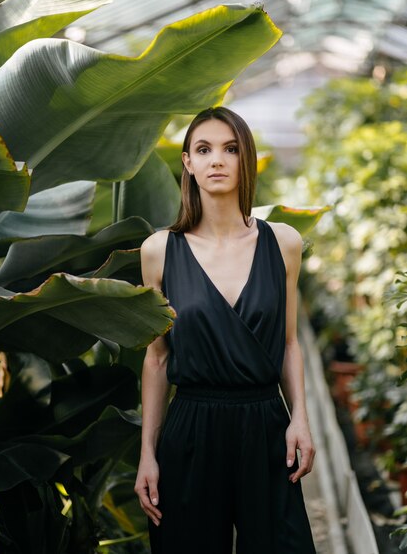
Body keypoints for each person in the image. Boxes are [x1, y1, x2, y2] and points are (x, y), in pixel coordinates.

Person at [134, 106, 317, 554]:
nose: (217, 159)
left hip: (265, 423)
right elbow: (156, 358)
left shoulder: (284, 243)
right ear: (188, 163)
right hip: (191, 428)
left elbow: (289, 343)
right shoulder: (159, 251)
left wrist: (301, 419)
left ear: (246, 159)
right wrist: (147, 453)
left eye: (230, 149)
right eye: (204, 149)